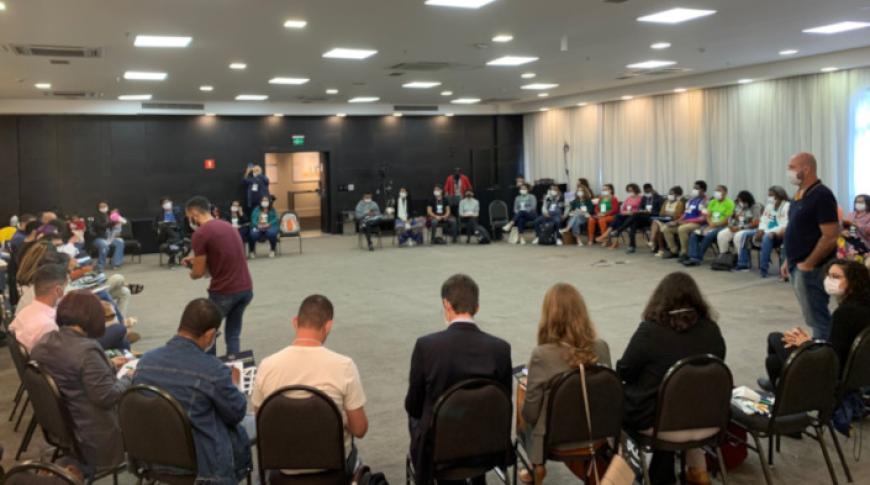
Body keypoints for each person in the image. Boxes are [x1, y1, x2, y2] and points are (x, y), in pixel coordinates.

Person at [617, 272, 726, 485]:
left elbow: (625, 371)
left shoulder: (650, 331)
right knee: (684, 397)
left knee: (621, 402)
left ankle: (627, 477)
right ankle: (697, 470)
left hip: (661, 426)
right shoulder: (713, 330)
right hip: (709, 422)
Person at [405, 274, 512, 485]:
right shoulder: (500, 348)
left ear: (446, 304)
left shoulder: (427, 347)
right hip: (486, 445)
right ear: (477, 307)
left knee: (420, 414)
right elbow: (504, 402)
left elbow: (413, 406)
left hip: (440, 450)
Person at [133, 299, 253, 483]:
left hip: (153, 456)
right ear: (210, 335)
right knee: (249, 421)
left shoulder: (145, 362)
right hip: (199, 463)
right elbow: (236, 413)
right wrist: (234, 384)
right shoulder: (213, 370)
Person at [253, 295, 368, 477]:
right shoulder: (344, 366)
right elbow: (360, 429)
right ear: (328, 326)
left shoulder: (267, 366)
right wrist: (341, 418)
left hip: (282, 470)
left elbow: (262, 422)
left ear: (295, 322)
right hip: (333, 471)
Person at [30, 290, 132, 477]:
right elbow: (107, 397)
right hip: (95, 436)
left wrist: (107, 364)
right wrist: (130, 376)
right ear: (94, 318)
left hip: (66, 428)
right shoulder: (87, 350)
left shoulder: (45, 342)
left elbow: (69, 371)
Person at [518, 283, 612, 483]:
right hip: (597, 432)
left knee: (524, 398)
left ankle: (537, 465)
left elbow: (531, 414)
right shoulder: (601, 347)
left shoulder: (542, 355)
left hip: (557, 439)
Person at [760, 260, 870, 406]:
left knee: (775, 338)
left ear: (853, 281)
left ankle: (786, 398)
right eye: (829, 275)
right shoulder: (863, 305)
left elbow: (834, 356)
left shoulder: (846, 313)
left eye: (836, 277)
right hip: (856, 373)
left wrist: (808, 344)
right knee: (773, 361)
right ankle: (780, 391)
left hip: (831, 374)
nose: (829, 280)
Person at [183, 196, 254, 356]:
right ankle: (234, 363)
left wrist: (192, 271)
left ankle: (210, 366)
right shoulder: (227, 226)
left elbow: (198, 273)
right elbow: (223, 254)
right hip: (245, 288)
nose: (189, 221)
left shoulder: (200, 234)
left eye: (189, 217)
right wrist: (196, 260)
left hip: (224, 291)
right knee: (233, 334)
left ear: (194, 214)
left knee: (207, 333)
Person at [780, 153, 839, 340]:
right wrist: (788, 259)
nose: (789, 171)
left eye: (792, 167)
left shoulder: (821, 195)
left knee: (817, 317)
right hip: (797, 263)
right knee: (811, 315)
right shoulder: (799, 196)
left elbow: (830, 236)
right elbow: (797, 230)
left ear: (806, 169)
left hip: (812, 268)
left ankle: (825, 351)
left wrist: (809, 263)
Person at [9, 264, 68, 352]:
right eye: (65, 287)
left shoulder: (23, 312)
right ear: (58, 290)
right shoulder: (48, 326)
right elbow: (58, 357)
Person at [736, 186, 790, 275]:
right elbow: (764, 220)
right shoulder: (769, 206)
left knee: (766, 238)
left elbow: (785, 224)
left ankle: (763, 268)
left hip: (778, 233)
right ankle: (743, 264)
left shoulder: (786, 206)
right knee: (745, 234)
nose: (769, 198)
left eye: (771, 195)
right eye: (769, 195)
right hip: (766, 230)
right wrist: (761, 229)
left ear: (779, 195)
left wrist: (770, 232)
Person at [683, 185, 735, 266]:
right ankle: (693, 256)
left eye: (719, 190)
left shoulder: (729, 203)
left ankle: (697, 258)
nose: (717, 192)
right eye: (716, 190)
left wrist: (715, 224)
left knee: (709, 235)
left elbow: (728, 218)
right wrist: (710, 223)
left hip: (722, 226)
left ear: (725, 192)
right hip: (710, 225)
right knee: (694, 234)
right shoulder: (713, 202)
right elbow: (708, 215)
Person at [661, 181, 708, 260]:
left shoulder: (705, 201)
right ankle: (674, 251)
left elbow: (702, 218)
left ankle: (684, 253)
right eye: (694, 188)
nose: (694, 190)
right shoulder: (691, 200)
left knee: (682, 228)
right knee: (666, 228)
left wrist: (685, 222)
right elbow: (685, 214)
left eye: (696, 188)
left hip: (698, 224)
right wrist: (676, 222)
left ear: (703, 190)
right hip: (686, 222)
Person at [600, 183, 645, 251]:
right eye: (629, 191)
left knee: (627, 220)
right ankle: (611, 236)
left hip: (635, 216)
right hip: (626, 215)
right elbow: (622, 208)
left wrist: (632, 212)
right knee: (618, 217)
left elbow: (641, 209)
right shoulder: (628, 198)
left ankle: (614, 233)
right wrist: (624, 212)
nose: (630, 192)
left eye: (631, 190)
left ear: (636, 190)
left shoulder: (641, 198)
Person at [716, 191, 761, 256]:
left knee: (738, 236)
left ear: (747, 200)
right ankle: (724, 256)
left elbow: (755, 223)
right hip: (736, 227)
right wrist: (730, 226)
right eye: (739, 201)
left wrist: (740, 228)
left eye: (741, 201)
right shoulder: (737, 205)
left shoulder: (755, 207)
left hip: (748, 228)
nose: (740, 203)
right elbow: (731, 217)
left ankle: (740, 257)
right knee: (721, 235)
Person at [91, 200, 125, 271]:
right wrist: (113, 223)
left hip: (110, 237)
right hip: (99, 238)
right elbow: (100, 226)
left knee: (120, 242)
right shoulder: (96, 216)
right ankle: (100, 265)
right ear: (98, 208)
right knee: (104, 245)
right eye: (102, 206)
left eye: (105, 206)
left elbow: (120, 221)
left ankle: (116, 263)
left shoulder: (109, 215)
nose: (104, 208)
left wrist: (119, 222)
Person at [156, 197, 189, 267]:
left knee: (188, 243)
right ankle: (179, 251)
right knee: (165, 227)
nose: (166, 204)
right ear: (162, 205)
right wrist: (158, 229)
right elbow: (154, 226)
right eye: (164, 203)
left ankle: (173, 257)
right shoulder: (159, 214)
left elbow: (182, 224)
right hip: (165, 236)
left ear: (171, 202)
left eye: (167, 202)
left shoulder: (177, 212)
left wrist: (175, 226)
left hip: (177, 232)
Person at [838, 194, 870, 263]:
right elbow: (844, 227)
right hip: (849, 242)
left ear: (867, 203)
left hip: (864, 244)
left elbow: (868, 230)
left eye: (861, 202)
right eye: (857, 202)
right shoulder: (851, 215)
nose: (858, 204)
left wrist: (858, 225)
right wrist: (844, 231)